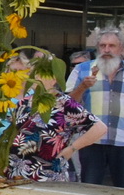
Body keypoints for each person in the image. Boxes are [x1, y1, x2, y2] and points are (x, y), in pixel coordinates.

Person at [7, 52, 106, 182]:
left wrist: (72, 149)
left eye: (40, 74)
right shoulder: (23, 103)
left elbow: (99, 128)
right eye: (32, 74)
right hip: (17, 173)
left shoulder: (64, 103)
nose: (34, 77)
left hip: (48, 175)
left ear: (54, 79)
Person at [65, 29, 124, 186]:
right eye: (103, 45)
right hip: (91, 141)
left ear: (121, 49)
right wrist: (82, 87)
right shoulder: (82, 70)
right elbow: (67, 105)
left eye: (112, 46)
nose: (107, 50)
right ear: (97, 48)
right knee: (90, 188)